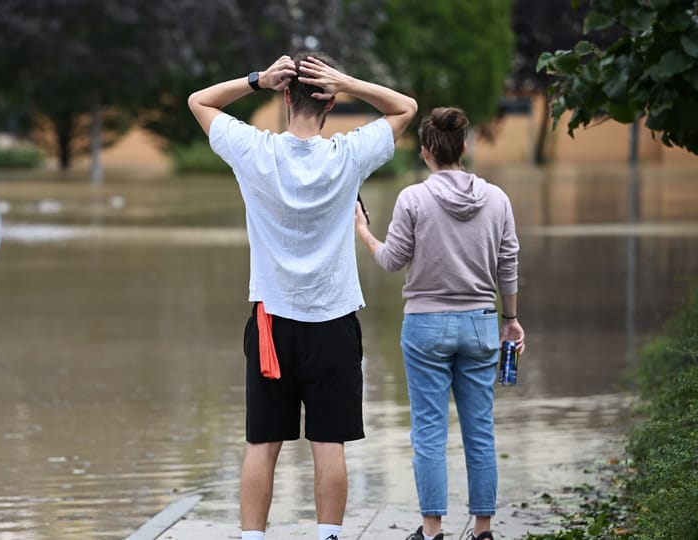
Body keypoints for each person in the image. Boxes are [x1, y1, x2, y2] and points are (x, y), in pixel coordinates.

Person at [187, 52, 417, 540]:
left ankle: (253, 537)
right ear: (330, 102)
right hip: (333, 321)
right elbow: (405, 109)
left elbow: (199, 101)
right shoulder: (348, 155)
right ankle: (328, 536)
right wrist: (350, 81)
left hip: (272, 323)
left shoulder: (254, 150)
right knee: (328, 441)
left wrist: (256, 80)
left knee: (262, 442)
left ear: (284, 95)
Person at [353, 107, 526, 540]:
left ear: (427, 152)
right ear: (464, 148)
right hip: (482, 325)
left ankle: (432, 531)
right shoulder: (498, 199)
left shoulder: (413, 199)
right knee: (480, 432)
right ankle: (483, 530)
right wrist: (512, 319)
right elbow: (508, 265)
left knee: (429, 432)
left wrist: (363, 231)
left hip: (425, 327)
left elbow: (392, 261)